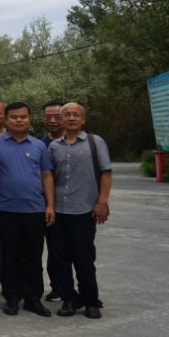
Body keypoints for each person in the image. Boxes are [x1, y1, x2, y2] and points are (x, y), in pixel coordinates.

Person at [47, 102, 112, 319]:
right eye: (66, 114)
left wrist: (102, 202)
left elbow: (106, 173)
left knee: (84, 259)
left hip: (84, 210)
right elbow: (49, 177)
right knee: (60, 260)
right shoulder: (54, 146)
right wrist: (49, 205)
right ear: (61, 119)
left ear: (83, 119)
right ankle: (69, 299)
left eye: (76, 114)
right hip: (59, 211)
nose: (71, 118)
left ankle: (91, 301)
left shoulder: (95, 142)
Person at [0, 101, 55, 318]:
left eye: (23, 117)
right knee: (9, 256)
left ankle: (33, 298)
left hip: (35, 210)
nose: (19, 120)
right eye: (14, 117)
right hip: (5, 209)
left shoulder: (39, 146)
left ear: (29, 119)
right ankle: (11, 297)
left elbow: (46, 175)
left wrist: (50, 205)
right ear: (6, 120)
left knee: (33, 257)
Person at [40, 100, 67, 302]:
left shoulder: (77, 142)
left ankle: (65, 288)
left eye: (57, 116)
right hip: (41, 205)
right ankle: (55, 287)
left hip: (69, 205)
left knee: (64, 250)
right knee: (46, 249)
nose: (52, 120)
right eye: (48, 117)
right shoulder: (39, 144)